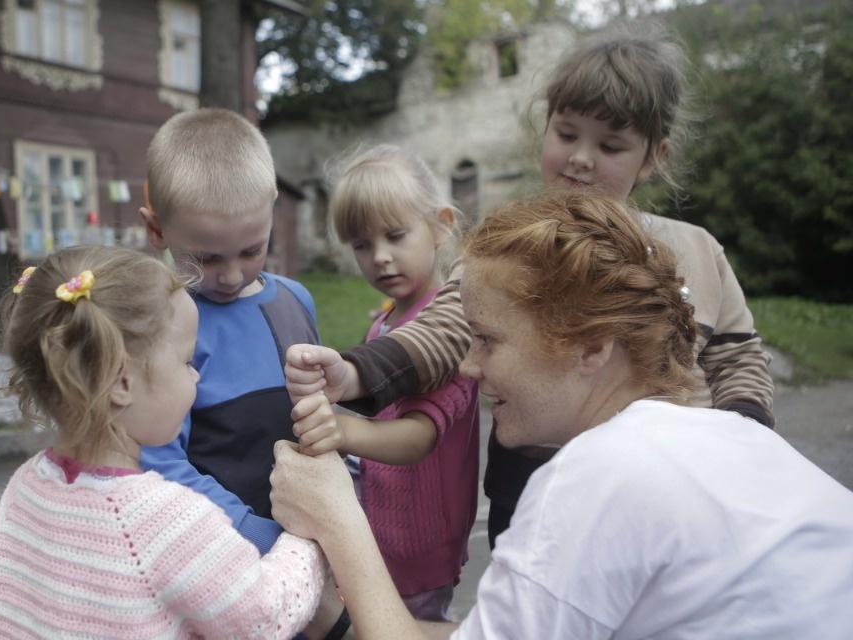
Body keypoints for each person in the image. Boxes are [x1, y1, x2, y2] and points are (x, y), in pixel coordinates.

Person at [271, 191, 853, 639]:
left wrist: (335, 517)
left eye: (488, 340)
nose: (469, 368)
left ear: (592, 347)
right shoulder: (736, 439)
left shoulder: (599, 474)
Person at [284, 21, 775, 547]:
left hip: (669, 495)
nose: (581, 158)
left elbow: (736, 357)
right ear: (546, 128)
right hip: (537, 495)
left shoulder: (698, 250)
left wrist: (742, 437)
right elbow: (447, 327)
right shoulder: (511, 248)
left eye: (610, 145)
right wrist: (357, 372)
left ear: (653, 156)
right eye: (566, 134)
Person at [0, 245, 335, 639]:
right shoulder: (167, 522)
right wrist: (309, 536)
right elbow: (266, 615)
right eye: (186, 362)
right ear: (122, 383)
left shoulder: (21, 492)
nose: (197, 378)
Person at [293, 144, 479, 621]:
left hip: (418, 547)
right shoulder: (385, 322)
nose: (380, 258)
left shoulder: (450, 328)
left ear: (441, 224)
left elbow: (419, 435)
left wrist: (343, 431)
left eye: (396, 236)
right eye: (361, 244)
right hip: (382, 532)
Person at [138, 107, 320, 555]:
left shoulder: (295, 299)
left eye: (252, 250)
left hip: (307, 545)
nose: (232, 275)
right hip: (218, 557)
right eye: (207, 259)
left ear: (272, 207)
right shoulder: (160, 327)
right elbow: (156, 460)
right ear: (156, 229)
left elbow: (317, 421)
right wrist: (254, 535)